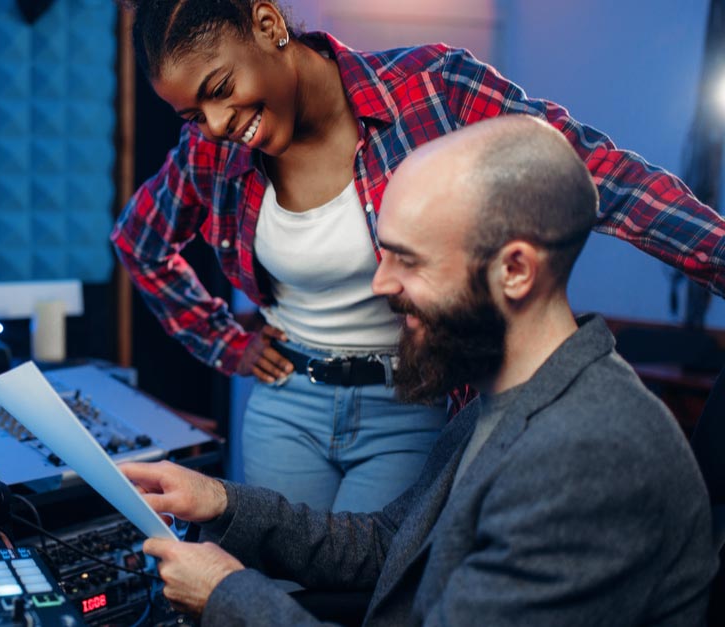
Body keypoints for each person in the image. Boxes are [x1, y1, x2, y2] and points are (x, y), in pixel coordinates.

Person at [111, 0, 725, 512]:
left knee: (375, 590)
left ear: (270, 26)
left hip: (409, 402)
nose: (216, 124)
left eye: (220, 90)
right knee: (277, 588)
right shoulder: (210, 154)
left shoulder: (431, 89)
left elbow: (599, 175)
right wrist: (224, 341)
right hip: (285, 403)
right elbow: (141, 242)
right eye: (194, 115)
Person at [119, 115, 718, 625]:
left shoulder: (590, 456)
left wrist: (227, 595)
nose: (381, 285)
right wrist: (219, 501)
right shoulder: (506, 396)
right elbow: (387, 546)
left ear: (515, 270)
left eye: (407, 259)